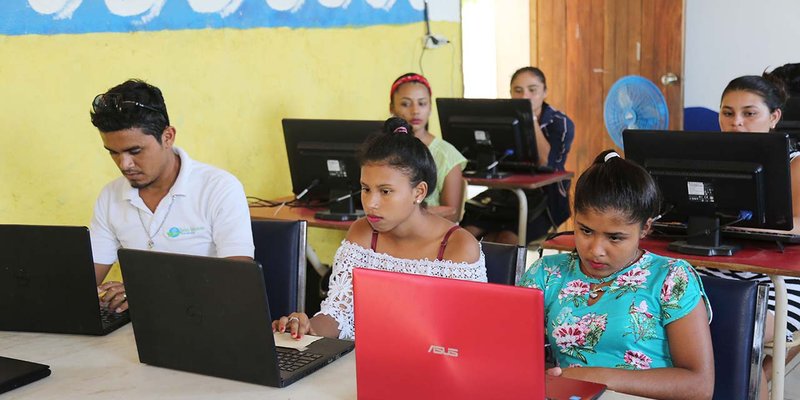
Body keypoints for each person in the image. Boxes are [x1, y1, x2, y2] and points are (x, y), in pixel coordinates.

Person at [518, 150, 714, 400]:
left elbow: (699, 386)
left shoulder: (671, 279)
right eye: (585, 231)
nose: (596, 250)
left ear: (645, 227)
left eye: (615, 237)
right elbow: (512, 353)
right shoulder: (547, 274)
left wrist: (593, 378)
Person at [272, 117, 487, 340]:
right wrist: (307, 329)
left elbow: (463, 335)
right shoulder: (363, 233)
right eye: (366, 189)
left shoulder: (458, 247)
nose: (371, 203)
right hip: (361, 364)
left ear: (419, 192)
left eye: (385, 191)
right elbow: (338, 313)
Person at [89, 79, 255, 314]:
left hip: (208, 319)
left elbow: (238, 281)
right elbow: (84, 282)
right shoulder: (110, 196)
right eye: (113, 153)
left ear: (168, 137)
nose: (124, 164)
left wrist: (143, 291)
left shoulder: (219, 188)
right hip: (139, 324)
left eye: (135, 151)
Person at [701, 74, 800, 394]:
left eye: (749, 113)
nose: (737, 123)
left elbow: (795, 227)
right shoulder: (703, 158)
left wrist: (732, 227)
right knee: (670, 315)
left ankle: (752, 385)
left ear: (774, 118)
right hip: (716, 265)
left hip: (778, 277)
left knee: (732, 327)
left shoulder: (795, 166)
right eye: (727, 113)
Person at [462, 66, 575, 245]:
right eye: (518, 91)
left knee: (504, 239)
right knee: (466, 234)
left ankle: (500, 272)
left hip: (545, 201)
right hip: (504, 195)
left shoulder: (560, 123)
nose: (524, 97)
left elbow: (547, 163)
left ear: (545, 92)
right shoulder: (503, 119)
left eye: (532, 90)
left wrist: (530, 119)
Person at [389, 72, 466, 222]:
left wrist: (404, 211)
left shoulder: (446, 154)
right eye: (405, 104)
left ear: (430, 107)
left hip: (430, 237)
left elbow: (452, 214)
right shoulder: (383, 149)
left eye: (422, 103)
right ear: (392, 107)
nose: (415, 111)